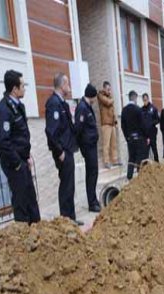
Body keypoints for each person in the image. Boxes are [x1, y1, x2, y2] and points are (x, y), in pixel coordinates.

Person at [0, 70, 40, 224]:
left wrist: (26, 157)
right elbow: (3, 141)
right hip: (13, 163)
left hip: (22, 159)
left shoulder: (18, 106)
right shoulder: (3, 110)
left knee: (30, 197)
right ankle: (25, 238)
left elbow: (21, 136)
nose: (24, 88)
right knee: (21, 201)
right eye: (22, 85)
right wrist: (18, 164)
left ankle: (37, 232)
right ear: (14, 89)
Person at [45, 73, 81, 225]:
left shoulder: (62, 103)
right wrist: (59, 152)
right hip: (63, 152)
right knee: (66, 186)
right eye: (67, 84)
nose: (69, 87)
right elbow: (51, 131)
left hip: (68, 149)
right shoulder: (53, 103)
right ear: (62, 85)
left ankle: (71, 218)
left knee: (70, 185)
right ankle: (66, 220)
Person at [75, 84, 101, 213]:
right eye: (95, 97)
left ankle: (94, 199)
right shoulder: (82, 108)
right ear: (91, 96)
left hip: (91, 145)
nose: (95, 100)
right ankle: (92, 203)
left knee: (94, 172)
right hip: (88, 146)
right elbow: (78, 129)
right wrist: (82, 146)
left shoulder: (87, 107)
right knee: (91, 174)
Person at [121, 90, 148, 180]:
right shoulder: (138, 110)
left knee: (131, 158)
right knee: (140, 158)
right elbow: (143, 124)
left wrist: (127, 137)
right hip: (139, 138)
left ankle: (129, 176)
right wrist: (146, 136)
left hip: (130, 139)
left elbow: (123, 126)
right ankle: (140, 178)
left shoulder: (124, 110)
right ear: (135, 98)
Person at [97, 81, 119, 168]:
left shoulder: (109, 97)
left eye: (110, 89)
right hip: (105, 123)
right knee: (106, 144)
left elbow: (113, 110)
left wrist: (115, 121)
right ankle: (106, 162)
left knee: (113, 144)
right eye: (108, 89)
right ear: (104, 88)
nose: (109, 91)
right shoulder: (100, 95)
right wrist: (112, 99)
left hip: (112, 123)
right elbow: (108, 102)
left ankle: (114, 160)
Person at [142, 93, 160, 162]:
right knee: (145, 152)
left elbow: (158, 119)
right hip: (145, 134)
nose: (145, 101)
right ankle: (146, 167)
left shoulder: (153, 108)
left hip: (152, 133)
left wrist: (152, 123)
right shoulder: (142, 109)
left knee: (154, 149)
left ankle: (157, 164)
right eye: (144, 100)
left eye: (146, 99)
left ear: (148, 99)